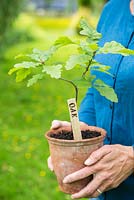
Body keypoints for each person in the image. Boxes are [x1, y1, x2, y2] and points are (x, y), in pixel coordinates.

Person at [48, 0, 134, 199]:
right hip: (101, 186)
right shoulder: (112, 9)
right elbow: (99, 87)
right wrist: (82, 127)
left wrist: (131, 156)